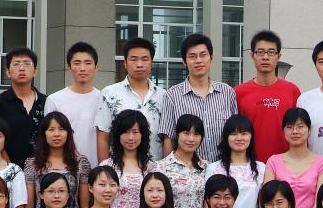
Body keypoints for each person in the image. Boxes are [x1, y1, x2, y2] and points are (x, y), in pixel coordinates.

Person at [159, 33, 237, 164]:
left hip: (223, 169)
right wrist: (169, 171)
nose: (198, 60)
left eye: (203, 55)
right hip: (188, 171)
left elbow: (235, 132)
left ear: (211, 58)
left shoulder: (227, 93)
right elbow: (168, 138)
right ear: (184, 61)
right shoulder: (172, 95)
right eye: (192, 56)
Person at [96, 37, 166, 163]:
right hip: (119, 169)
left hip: (156, 169)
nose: (139, 64)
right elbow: (103, 137)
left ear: (152, 63)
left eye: (145, 59)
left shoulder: (164, 96)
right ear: (125, 63)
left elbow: (167, 138)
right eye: (133, 59)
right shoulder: (109, 94)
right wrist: (104, 170)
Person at [235, 30, 301, 161]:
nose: (265, 57)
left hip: (286, 164)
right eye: (260, 52)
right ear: (252, 55)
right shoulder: (239, 92)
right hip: (250, 165)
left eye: (271, 52)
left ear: (279, 56)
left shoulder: (292, 91)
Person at [264, 108, 323, 208]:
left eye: (300, 126)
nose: (295, 131)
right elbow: (265, 198)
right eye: (289, 127)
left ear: (309, 130)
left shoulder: (322, 163)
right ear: (283, 131)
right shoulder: (273, 161)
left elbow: (319, 202)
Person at [0, 46, 47, 169]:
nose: (21, 68)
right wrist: (11, 169)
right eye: (16, 64)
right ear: (8, 72)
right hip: (7, 170)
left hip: (43, 171)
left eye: (27, 64)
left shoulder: (46, 102)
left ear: (35, 71)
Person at [44, 42, 102, 168]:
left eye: (88, 63)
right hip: (65, 170)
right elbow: (48, 138)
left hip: (98, 171)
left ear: (96, 67)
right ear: (69, 68)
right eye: (77, 63)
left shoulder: (104, 99)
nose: (82, 68)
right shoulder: (54, 100)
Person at [24, 112, 91, 208]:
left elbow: (85, 206)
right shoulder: (33, 164)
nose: (56, 134)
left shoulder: (81, 163)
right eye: (51, 130)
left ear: (68, 133)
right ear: (44, 133)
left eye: (61, 129)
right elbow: (29, 204)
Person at [207, 114, 265, 208]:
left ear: (251, 137)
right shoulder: (213, 168)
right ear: (226, 137)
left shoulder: (261, 168)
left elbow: (264, 203)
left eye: (244, 133)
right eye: (234, 134)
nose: (239, 138)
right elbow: (207, 204)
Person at [155, 113, 208, 208]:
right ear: (176, 134)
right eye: (186, 133)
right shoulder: (161, 167)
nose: (191, 139)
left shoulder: (206, 167)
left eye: (196, 134)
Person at [102, 109, 153, 208]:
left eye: (135, 132)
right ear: (118, 135)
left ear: (142, 135)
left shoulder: (151, 168)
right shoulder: (106, 166)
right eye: (125, 132)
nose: (130, 137)